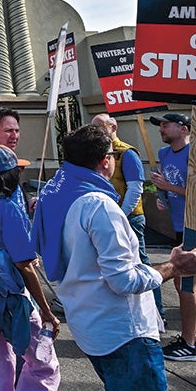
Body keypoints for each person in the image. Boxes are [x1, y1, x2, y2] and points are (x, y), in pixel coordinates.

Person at [34, 125, 196, 391]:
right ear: (105, 160)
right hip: (123, 332)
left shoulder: (55, 191)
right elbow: (123, 280)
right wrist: (174, 267)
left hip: (88, 324)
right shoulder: (99, 205)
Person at [0, 145, 60, 389]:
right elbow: (25, 267)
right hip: (11, 292)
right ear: (9, 176)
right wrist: (47, 312)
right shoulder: (8, 209)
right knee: (42, 363)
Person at [91, 113, 164, 320]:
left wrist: (120, 216)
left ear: (113, 127)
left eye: (99, 126)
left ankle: (157, 311)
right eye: (93, 126)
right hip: (110, 218)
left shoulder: (126, 153)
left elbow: (135, 190)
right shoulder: (99, 153)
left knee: (140, 264)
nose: (95, 130)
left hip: (129, 218)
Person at [148, 112, 195, 361]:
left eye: (166, 125)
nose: (161, 129)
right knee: (183, 282)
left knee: (185, 282)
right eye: (160, 125)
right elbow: (164, 185)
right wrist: (160, 196)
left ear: (184, 129)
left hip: (193, 223)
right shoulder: (164, 154)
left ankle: (190, 342)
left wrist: (169, 188)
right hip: (178, 224)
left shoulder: (192, 155)